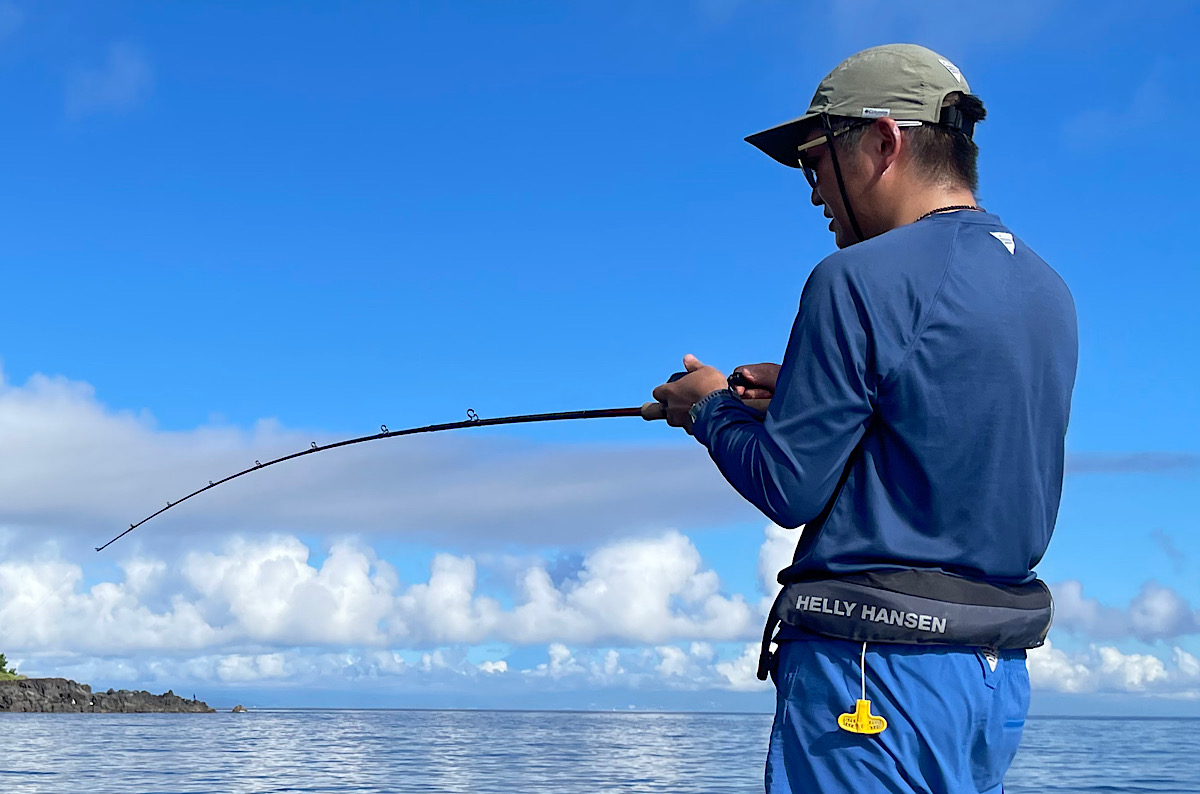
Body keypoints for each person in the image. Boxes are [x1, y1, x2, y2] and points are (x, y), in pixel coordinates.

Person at [652, 44, 1077, 793]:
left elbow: (789, 488)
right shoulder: (1048, 289)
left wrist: (710, 409)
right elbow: (943, 422)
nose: (812, 189)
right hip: (993, 684)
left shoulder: (852, 278)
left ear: (883, 141)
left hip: (869, 678)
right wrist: (803, 391)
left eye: (815, 159)